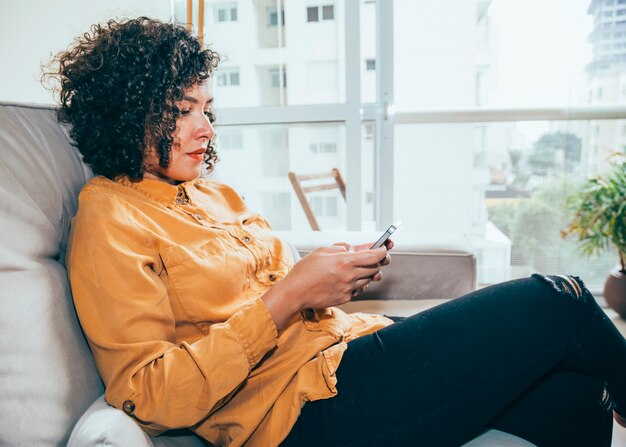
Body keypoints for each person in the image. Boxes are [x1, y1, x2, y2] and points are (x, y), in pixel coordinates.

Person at [44, 17, 626, 447]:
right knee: (559, 301)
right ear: (126, 111)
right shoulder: (110, 216)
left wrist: (326, 274)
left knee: (576, 395)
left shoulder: (214, 194)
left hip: (344, 349)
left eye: (208, 109)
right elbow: (148, 394)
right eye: (183, 109)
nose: (204, 129)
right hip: (297, 410)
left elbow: (279, 285)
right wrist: (290, 296)